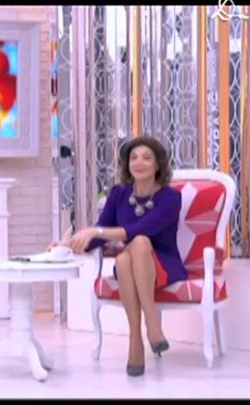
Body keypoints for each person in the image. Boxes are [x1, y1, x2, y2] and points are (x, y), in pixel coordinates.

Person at [64, 137, 188, 377]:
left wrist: (95, 231)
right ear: (127, 164)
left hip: (162, 265)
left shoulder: (170, 197)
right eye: (133, 158)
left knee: (139, 241)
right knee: (124, 258)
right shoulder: (119, 194)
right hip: (129, 267)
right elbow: (101, 232)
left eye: (146, 158)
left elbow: (139, 229)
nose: (139, 162)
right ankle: (142, 334)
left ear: (158, 165)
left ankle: (145, 330)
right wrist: (68, 243)